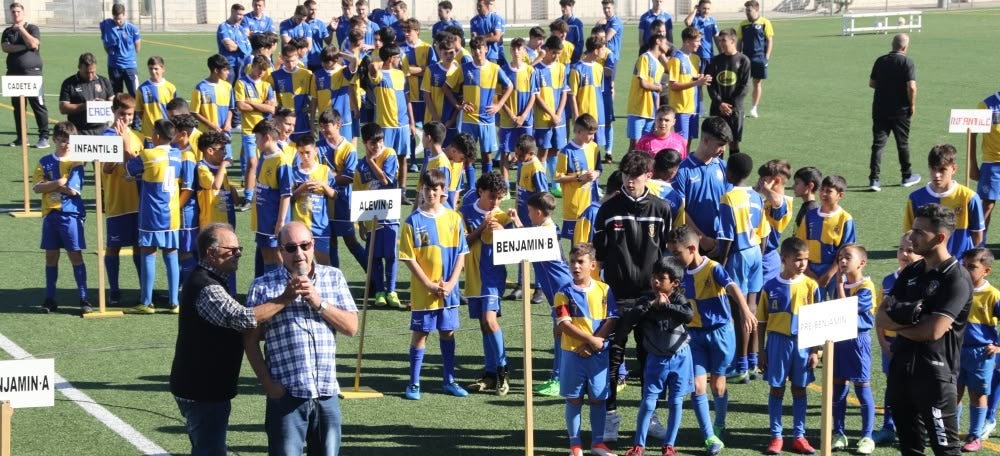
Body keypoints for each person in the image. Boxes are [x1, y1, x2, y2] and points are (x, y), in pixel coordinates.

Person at [243, 221, 359, 456]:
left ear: (313, 245)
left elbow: (351, 327)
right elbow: (249, 339)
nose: (299, 253)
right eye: (291, 247)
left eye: (304, 245)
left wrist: (319, 303)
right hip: (287, 395)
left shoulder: (333, 277)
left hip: (326, 393)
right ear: (280, 251)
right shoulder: (262, 286)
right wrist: (268, 385)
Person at [169, 223, 285, 455]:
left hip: (201, 388)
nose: (239, 253)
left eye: (239, 248)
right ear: (211, 253)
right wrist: (287, 298)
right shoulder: (207, 286)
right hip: (203, 391)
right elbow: (242, 319)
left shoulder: (211, 279)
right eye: (231, 250)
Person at [877, 203, 973, 455]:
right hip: (901, 371)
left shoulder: (956, 279)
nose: (911, 236)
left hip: (935, 377)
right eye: (912, 229)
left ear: (940, 238)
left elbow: (932, 332)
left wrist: (898, 324)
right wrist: (911, 322)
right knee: (910, 448)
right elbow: (881, 316)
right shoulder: (911, 271)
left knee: (946, 450)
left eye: (919, 231)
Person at [594, 151, 673, 441]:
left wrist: (665, 292)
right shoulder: (608, 209)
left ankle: (650, 415)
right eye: (626, 175)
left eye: (635, 176)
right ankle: (610, 415)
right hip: (616, 296)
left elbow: (666, 254)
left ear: (648, 176)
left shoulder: (662, 208)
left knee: (649, 357)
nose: (630, 181)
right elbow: (598, 256)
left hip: (650, 297)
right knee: (613, 358)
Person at [666, 224, 755, 455]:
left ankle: (720, 423)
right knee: (697, 387)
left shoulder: (713, 268)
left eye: (677, 253)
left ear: (693, 248)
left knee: (717, 384)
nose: (673, 258)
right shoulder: (678, 274)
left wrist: (745, 310)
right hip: (694, 336)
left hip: (721, 333)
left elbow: (732, 286)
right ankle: (710, 437)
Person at [399, 169, 470, 400]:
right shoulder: (411, 222)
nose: (430, 193)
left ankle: (449, 380)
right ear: (421, 189)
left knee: (447, 332)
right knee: (421, 334)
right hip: (424, 293)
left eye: (435, 189)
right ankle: (414, 383)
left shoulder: (454, 218)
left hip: (449, 290)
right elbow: (408, 258)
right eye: (426, 188)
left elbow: (461, 253)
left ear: (443, 192)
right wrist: (429, 284)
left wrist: (451, 283)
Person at [618, 256, 694, 456]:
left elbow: (688, 315)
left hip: (681, 358)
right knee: (648, 401)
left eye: (661, 278)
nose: (656, 281)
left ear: (675, 283)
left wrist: (666, 306)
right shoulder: (646, 300)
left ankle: (669, 445)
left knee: (676, 401)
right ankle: (639, 446)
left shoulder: (678, 298)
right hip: (655, 361)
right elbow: (631, 319)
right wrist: (653, 304)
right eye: (654, 277)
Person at [757, 237, 820, 456]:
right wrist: (761, 350)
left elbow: (818, 320)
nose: (802, 264)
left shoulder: (811, 285)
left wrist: (815, 350)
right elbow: (762, 321)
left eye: (805, 260)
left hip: (803, 343)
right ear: (784, 259)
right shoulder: (771, 286)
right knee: (777, 388)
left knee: (799, 389)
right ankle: (776, 436)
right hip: (777, 342)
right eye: (797, 260)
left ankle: (799, 436)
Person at [555, 243, 618, 456]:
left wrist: (594, 343)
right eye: (572, 261)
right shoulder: (562, 293)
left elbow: (612, 319)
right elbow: (564, 324)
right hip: (573, 353)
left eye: (580, 262)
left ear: (592, 265)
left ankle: (598, 444)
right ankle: (575, 446)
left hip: (598, 353)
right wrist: (592, 340)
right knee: (574, 399)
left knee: (598, 398)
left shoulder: (605, 289)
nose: (575, 266)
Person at [717, 153, 769, 383]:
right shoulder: (757, 196)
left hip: (738, 253)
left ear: (731, 172)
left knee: (739, 310)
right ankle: (751, 361)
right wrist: (760, 255)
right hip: (756, 251)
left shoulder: (728, 197)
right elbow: (765, 232)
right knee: (752, 307)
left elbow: (727, 236)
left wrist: (722, 262)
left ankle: (739, 365)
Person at [124, 119, 182, 314]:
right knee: (171, 255)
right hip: (172, 213)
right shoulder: (177, 155)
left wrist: (125, 141)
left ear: (156, 135)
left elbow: (129, 167)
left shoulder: (148, 154)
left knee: (148, 254)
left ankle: (147, 302)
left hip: (152, 214)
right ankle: (174, 302)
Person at [34, 121, 89, 314]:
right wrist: (57, 183)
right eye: (62, 140)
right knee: (51, 256)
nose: (65, 145)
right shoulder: (45, 161)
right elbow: (37, 187)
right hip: (51, 215)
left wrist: (49, 185)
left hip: (70, 215)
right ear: (54, 139)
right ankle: (50, 298)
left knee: (75, 254)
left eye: (69, 141)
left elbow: (73, 190)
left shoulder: (77, 162)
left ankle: (84, 298)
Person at [830, 244, 877, 455]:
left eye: (847, 257)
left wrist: (839, 285)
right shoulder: (840, 284)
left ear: (862, 262)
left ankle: (867, 436)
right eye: (840, 257)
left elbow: (844, 310)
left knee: (862, 387)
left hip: (858, 341)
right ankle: (838, 433)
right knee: (838, 388)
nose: (842, 260)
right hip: (839, 340)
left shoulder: (866, 287)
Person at [955, 248, 1000, 452]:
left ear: (986, 271)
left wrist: (998, 347)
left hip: (981, 353)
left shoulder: (993, 295)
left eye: (972, 267)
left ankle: (975, 435)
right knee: (953, 392)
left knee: (977, 394)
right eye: (964, 265)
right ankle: (950, 431)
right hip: (955, 350)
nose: (966, 270)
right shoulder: (957, 289)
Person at [904, 144, 984, 258]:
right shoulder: (915, 198)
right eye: (933, 168)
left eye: (942, 169)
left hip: (959, 265)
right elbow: (909, 234)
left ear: (954, 169)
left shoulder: (969, 197)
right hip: (928, 267)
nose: (937, 175)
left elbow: (977, 236)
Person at [101, 94, 143, 307]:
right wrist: (120, 143)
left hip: (138, 201)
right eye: (122, 114)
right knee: (114, 246)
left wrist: (126, 142)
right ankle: (114, 289)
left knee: (139, 245)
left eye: (129, 114)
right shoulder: (107, 136)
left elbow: (141, 165)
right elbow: (106, 168)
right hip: (117, 201)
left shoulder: (137, 136)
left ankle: (143, 288)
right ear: (114, 113)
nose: (126, 118)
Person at [354, 123, 400, 308]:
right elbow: (357, 194)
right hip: (371, 215)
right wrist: (362, 224)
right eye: (373, 143)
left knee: (391, 255)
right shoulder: (359, 166)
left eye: (380, 141)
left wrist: (371, 160)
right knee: (374, 255)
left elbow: (385, 179)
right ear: (365, 143)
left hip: (389, 214)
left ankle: (391, 290)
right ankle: (380, 291)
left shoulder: (389, 154)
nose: (378, 146)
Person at [868, 33, 920, 192]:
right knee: (902, 143)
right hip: (900, 111)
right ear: (905, 47)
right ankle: (906, 176)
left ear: (892, 45)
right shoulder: (907, 62)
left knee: (878, 144)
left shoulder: (880, 60)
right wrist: (912, 105)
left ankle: (874, 180)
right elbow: (911, 86)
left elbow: (872, 83)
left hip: (880, 109)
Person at [672, 117, 732, 255]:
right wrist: (702, 239)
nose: (723, 149)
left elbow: (729, 206)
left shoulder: (724, 168)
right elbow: (680, 211)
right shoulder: (682, 171)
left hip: (720, 243)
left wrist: (721, 237)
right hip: (692, 247)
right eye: (720, 144)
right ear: (705, 140)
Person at [316, 108, 366, 270]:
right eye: (321, 126)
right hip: (323, 203)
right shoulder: (317, 147)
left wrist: (327, 178)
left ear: (338, 125)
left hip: (344, 202)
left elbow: (349, 177)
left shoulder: (349, 149)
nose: (323, 130)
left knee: (351, 241)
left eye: (326, 126)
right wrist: (335, 175)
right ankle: (335, 276)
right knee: (330, 242)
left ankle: (374, 276)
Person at [795, 175, 856, 299]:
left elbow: (846, 251)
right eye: (822, 190)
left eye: (829, 191)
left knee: (837, 309)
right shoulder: (810, 216)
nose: (824, 194)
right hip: (811, 270)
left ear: (840, 195)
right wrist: (807, 270)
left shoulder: (845, 219)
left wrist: (829, 274)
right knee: (812, 309)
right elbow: (800, 244)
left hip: (836, 272)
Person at [368, 44, 414, 198]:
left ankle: (402, 191)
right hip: (386, 125)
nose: (400, 60)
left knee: (402, 158)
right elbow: (372, 66)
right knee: (383, 158)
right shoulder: (379, 75)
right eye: (397, 57)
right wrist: (383, 62)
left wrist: (412, 123)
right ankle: (383, 190)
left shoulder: (400, 74)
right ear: (390, 59)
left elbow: (407, 99)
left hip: (403, 124)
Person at [2, 2, 48, 148]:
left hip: (32, 73)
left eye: (18, 12)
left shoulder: (32, 28)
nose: (16, 14)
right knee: (18, 106)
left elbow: (34, 44)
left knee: (38, 105)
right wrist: (24, 46)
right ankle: (21, 137)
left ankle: (44, 137)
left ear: (23, 13)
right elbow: (5, 47)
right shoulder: (7, 31)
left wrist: (22, 30)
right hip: (14, 74)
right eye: (13, 12)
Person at [251, 119, 293, 276]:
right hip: (263, 219)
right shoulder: (263, 156)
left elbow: (286, 194)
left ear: (267, 137)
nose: (256, 143)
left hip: (273, 220)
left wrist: (280, 222)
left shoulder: (281, 161)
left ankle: (281, 290)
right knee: (267, 257)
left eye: (257, 139)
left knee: (276, 257)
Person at [290, 135, 337, 266]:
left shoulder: (324, 170)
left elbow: (335, 195)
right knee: (301, 264)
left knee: (324, 264)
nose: (305, 156)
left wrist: (323, 186)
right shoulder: (293, 172)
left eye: (308, 152)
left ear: (315, 151)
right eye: (301, 153)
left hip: (320, 226)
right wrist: (302, 188)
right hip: (300, 226)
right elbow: (289, 198)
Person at [532, 36, 570, 196]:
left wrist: (559, 114)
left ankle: (555, 185)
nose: (556, 56)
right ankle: (541, 184)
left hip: (558, 119)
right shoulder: (536, 69)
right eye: (554, 52)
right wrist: (551, 114)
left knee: (556, 150)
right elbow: (537, 96)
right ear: (546, 50)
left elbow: (564, 93)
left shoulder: (562, 68)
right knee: (543, 152)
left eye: (559, 53)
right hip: (543, 119)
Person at [499, 38, 538, 188]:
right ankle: (506, 186)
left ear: (524, 51)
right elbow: (500, 97)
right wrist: (512, 115)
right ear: (510, 51)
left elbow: (533, 95)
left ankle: (523, 182)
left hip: (526, 119)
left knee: (526, 151)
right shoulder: (503, 70)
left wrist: (523, 116)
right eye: (514, 49)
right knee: (505, 152)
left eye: (519, 49)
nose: (516, 52)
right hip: (508, 119)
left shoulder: (530, 71)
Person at [555, 114, 600, 242]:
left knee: (592, 240)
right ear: (579, 132)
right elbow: (558, 178)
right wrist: (579, 177)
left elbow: (599, 169)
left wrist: (596, 174)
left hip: (592, 202)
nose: (593, 137)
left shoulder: (594, 147)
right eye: (590, 133)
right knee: (576, 243)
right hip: (574, 206)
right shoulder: (566, 151)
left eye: (594, 133)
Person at [706, 29, 750, 154]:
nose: (720, 44)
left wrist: (730, 105)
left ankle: (733, 172)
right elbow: (710, 84)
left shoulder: (743, 60)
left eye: (723, 41)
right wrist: (720, 103)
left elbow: (744, 86)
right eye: (719, 41)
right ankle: (716, 172)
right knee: (716, 143)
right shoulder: (715, 60)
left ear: (733, 40)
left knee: (733, 142)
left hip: (735, 109)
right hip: (717, 107)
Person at [667, 27, 710, 146]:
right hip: (681, 108)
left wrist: (700, 79)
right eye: (697, 41)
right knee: (681, 143)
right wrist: (696, 83)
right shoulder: (676, 60)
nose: (700, 44)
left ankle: (684, 163)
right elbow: (673, 85)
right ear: (687, 42)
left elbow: (691, 80)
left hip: (693, 108)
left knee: (689, 141)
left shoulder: (695, 59)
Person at [626, 34, 668, 152]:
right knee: (635, 145)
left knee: (646, 146)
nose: (668, 46)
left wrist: (657, 110)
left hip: (651, 111)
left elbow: (657, 91)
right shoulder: (644, 58)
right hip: (638, 109)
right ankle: (627, 170)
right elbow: (643, 83)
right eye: (665, 43)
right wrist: (657, 88)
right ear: (658, 41)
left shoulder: (660, 66)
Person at [191, 54, 235, 161]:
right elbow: (194, 112)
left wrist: (228, 122)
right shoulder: (201, 87)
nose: (228, 73)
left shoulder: (228, 86)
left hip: (224, 133)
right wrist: (211, 125)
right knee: (208, 162)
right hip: (208, 134)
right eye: (225, 70)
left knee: (225, 161)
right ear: (216, 70)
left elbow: (231, 108)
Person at [757, 159, 793, 288]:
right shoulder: (767, 200)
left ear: (776, 181)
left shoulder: (784, 202)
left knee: (761, 298)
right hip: (758, 254)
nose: (760, 181)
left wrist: (765, 189)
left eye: (763, 179)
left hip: (767, 257)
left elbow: (777, 201)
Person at [58, 53, 114, 136]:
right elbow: (63, 108)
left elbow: (113, 101)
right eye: (87, 73)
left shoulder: (104, 81)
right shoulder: (69, 83)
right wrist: (86, 105)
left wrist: (106, 104)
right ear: (79, 67)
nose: (90, 76)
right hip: (79, 131)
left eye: (93, 72)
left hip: (102, 130)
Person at [270, 44, 316, 141]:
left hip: (302, 121)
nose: (290, 64)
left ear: (298, 57)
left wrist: (309, 108)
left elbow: (313, 97)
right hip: (283, 122)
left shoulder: (307, 74)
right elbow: (272, 100)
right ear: (282, 58)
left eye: (293, 61)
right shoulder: (275, 76)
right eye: (287, 61)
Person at [970, 89, 1000, 237]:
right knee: (987, 205)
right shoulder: (987, 105)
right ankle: (979, 244)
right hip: (993, 164)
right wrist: (972, 164)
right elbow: (972, 135)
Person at [737, 0, 773, 119]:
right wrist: (737, 56)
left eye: (749, 10)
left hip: (759, 58)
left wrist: (767, 56)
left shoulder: (765, 22)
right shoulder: (743, 24)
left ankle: (754, 108)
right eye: (746, 10)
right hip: (745, 58)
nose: (747, 13)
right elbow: (739, 41)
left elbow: (769, 40)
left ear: (756, 10)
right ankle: (739, 107)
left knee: (757, 83)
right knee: (742, 84)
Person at [100, 3, 141, 96]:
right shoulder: (106, 26)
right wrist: (113, 56)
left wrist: (128, 56)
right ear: (112, 16)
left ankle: (135, 111)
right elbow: (105, 44)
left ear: (124, 15)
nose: (118, 21)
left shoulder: (132, 28)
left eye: (120, 19)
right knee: (117, 95)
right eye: (115, 19)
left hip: (130, 66)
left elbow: (138, 47)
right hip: (114, 66)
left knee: (135, 94)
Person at [135, 56, 177, 145]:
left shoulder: (171, 88)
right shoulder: (142, 89)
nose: (153, 71)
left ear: (163, 69)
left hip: (167, 133)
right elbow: (139, 111)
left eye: (156, 69)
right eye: (150, 69)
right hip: (149, 135)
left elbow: (175, 111)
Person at [218, 3, 252, 86]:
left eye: (242, 15)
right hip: (229, 64)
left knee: (240, 89)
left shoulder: (240, 29)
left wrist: (237, 45)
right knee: (228, 89)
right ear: (232, 12)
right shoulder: (223, 27)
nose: (241, 17)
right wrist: (242, 46)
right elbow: (229, 47)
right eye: (239, 14)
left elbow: (249, 47)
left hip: (242, 64)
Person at [685, 0, 719, 73]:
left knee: (710, 82)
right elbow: (687, 22)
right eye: (704, 8)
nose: (706, 11)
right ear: (699, 8)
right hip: (697, 56)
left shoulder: (712, 21)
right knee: (697, 81)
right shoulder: (695, 19)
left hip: (710, 56)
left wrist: (721, 52)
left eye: (708, 9)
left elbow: (716, 37)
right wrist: (694, 10)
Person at [469, 0, 505, 65]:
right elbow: (474, 39)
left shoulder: (495, 18)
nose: (478, 8)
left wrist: (480, 38)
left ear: (486, 6)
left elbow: (497, 38)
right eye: (477, 6)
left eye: (480, 6)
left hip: (492, 55)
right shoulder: (473, 21)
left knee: (492, 74)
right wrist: (489, 35)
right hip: (479, 54)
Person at [302, 0, 330, 73]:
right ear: (305, 9)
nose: (314, 12)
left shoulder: (320, 24)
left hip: (317, 60)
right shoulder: (300, 24)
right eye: (311, 9)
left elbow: (328, 42)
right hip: (302, 61)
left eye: (315, 9)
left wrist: (332, 30)